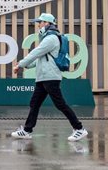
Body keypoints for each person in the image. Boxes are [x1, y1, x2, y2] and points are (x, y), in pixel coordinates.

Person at [11, 13, 88, 141]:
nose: (38, 25)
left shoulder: (50, 38)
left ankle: (79, 129)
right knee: (34, 103)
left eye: (40, 22)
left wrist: (20, 64)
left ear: (47, 23)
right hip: (43, 77)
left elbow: (36, 53)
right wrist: (25, 66)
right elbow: (41, 59)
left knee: (60, 104)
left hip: (50, 77)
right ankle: (27, 130)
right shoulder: (48, 37)